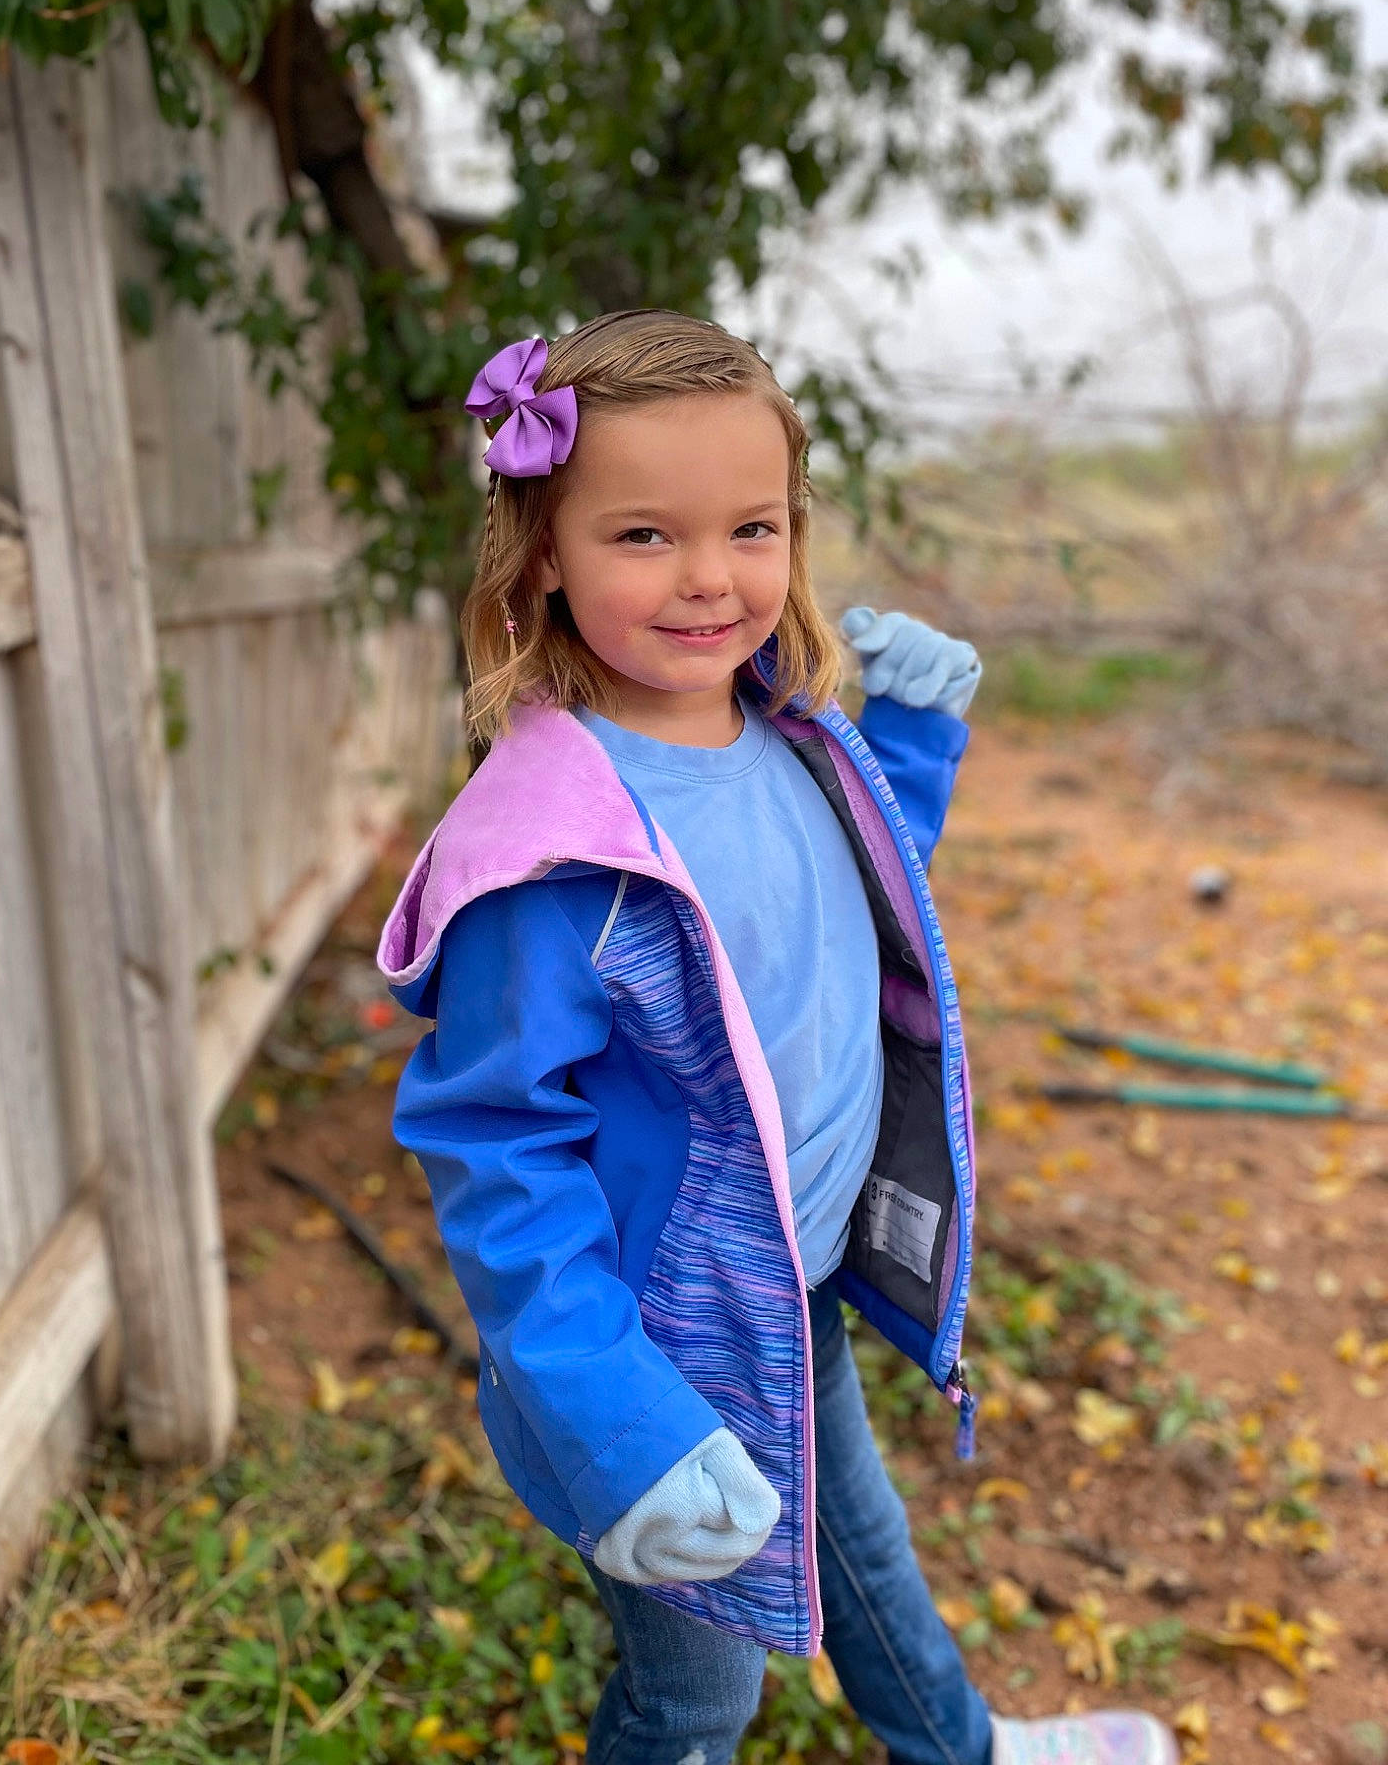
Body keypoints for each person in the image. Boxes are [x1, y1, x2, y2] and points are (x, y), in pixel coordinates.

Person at [378, 311, 1176, 1765]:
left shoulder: (789, 734)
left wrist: (915, 744)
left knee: (860, 1548)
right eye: (643, 536)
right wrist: (623, 1426)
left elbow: (847, 919)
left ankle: (960, 1748)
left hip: (787, 1285)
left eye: (752, 527)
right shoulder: (545, 858)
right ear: (544, 550)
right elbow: (499, 1155)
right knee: (700, 1696)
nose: (710, 579)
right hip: (657, 1347)